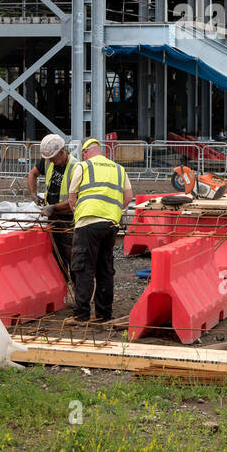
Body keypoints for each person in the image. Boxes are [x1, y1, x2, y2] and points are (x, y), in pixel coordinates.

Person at [65, 137, 133, 324]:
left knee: (83, 268)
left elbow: (72, 198)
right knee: (105, 269)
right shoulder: (119, 169)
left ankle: (81, 315)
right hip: (111, 223)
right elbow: (128, 197)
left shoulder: (83, 166)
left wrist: (79, 213)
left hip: (88, 221)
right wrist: (112, 210)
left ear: (86, 153)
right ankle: (104, 314)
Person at [26, 133, 78, 274]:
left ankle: (76, 284)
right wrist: (33, 194)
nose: (50, 161)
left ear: (62, 152)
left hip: (69, 217)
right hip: (53, 216)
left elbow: (75, 199)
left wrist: (53, 207)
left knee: (72, 255)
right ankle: (63, 284)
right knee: (56, 254)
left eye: (52, 158)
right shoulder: (48, 161)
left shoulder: (75, 167)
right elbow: (32, 175)